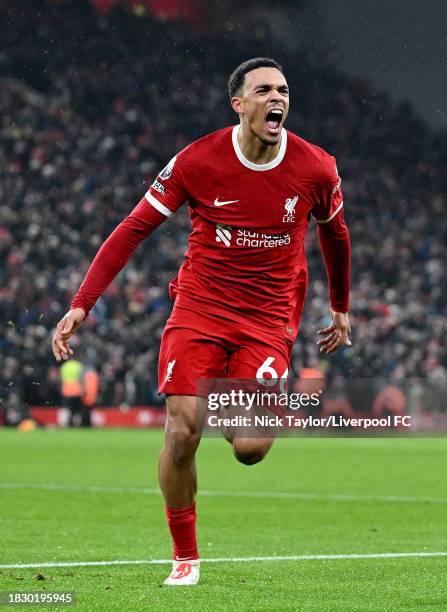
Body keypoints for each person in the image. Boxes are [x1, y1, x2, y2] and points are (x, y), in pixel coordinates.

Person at [51, 57, 351, 585]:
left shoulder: (316, 168)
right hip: (201, 308)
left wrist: (341, 308)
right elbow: (133, 228)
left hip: (267, 317)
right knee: (184, 429)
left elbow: (335, 235)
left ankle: (228, 402)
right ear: (239, 104)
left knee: (252, 448)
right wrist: (83, 302)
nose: (275, 97)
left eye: (282, 90)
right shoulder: (198, 160)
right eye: (263, 90)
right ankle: (185, 556)